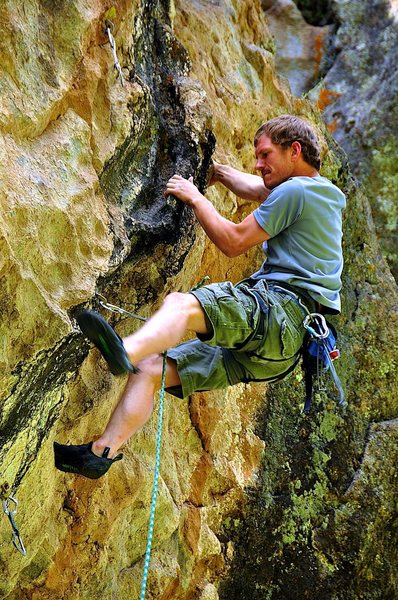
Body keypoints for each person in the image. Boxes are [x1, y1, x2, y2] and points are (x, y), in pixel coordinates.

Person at [54, 115, 346, 479]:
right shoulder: (320, 194)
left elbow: (234, 242)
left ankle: (125, 351)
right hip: (282, 352)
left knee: (181, 305)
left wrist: (194, 197)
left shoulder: (295, 191)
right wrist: (220, 173)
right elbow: (257, 187)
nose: (258, 164)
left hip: (280, 313)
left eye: (265, 154)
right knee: (152, 369)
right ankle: (101, 453)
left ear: (295, 150)